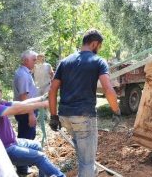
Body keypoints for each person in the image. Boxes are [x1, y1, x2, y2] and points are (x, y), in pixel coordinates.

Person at [49, 29, 121, 177]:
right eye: (99, 46)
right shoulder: (98, 61)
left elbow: (52, 91)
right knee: (88, 162)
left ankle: (89, 173)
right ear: (94, 43)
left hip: (65, 117)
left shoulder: (65, 62)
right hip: (84, 117)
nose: (98, 50)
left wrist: (53, 116)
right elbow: (108, 89)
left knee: (84, 158)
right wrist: (116, 110)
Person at [0, 83, 64, 177]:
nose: (1, 93)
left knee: (37, 146)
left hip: (13, 142)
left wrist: (42, 98)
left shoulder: (0, 103)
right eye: (0, 91)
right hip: (6, 149)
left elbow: (23, 103)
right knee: (40, 157)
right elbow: (17, 110)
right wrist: (42, 104)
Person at [13, 50, 40, 175]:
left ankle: (24, 165)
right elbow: (24, 97)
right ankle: (22, 168)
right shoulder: (23, 75)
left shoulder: (25, 73)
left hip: (27, 110)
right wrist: (31, 114)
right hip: (25, 112)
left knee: (29, 136)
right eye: (33, 60)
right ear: (25, 61)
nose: (35, 62)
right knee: (25, 138)